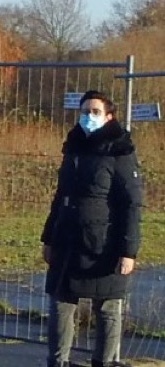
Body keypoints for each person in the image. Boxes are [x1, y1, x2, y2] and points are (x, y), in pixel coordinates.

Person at [42, 90, 142, 367]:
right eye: (85, 111)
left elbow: (131, 204)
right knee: (61, 303)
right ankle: (58, 361)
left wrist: (128, 251)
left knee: (108, 307)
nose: (88, 117)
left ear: (109, 116)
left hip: (104, 243)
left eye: (95, 112)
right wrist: (48, 237)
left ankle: (104, 361)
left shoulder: (120, 150)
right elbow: (60, 195)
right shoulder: (73, 146)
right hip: (67, 238)